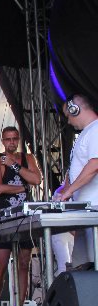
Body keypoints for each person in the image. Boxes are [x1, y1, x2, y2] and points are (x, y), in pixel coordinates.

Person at [0, 126, 41, 306]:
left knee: (24, 263)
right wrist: (23, 187)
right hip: (5, 218)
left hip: (24, 219)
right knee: (0, 264)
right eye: (8, 139)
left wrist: (16, 167)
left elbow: (37, 179)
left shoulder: (28, 158)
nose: (11, 142)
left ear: (18, 140)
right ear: (2, 141)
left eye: (14, 139)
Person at [54, 95, 98, 269]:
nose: (68, 121)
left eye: (68, 116)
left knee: (94, 267)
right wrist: (63, 191)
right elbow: (76, 169)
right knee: (82, 270)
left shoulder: (96, 129)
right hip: (85, 212)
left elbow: (94, 165)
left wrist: (68, 191)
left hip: (94, 210)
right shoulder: (86, 133)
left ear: (75, 110)